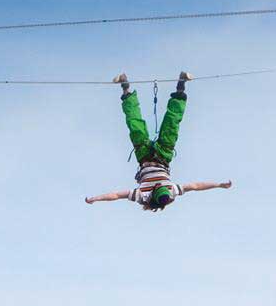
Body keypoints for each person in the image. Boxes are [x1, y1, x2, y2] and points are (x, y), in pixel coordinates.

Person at [85, 72, 232, 210]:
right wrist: (219, 184)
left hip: (144, 156)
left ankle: (125, 87)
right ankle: (181, 85)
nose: (161, 184)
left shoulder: (143, 195)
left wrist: (95, 198)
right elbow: (195, 186)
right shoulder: (172, 191)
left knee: (135, 125)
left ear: (154, 192)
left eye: (158, 186)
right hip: (163, 156)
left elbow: (116, 195)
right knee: (172, 123)